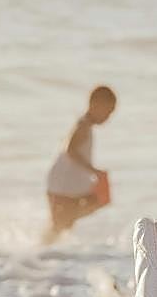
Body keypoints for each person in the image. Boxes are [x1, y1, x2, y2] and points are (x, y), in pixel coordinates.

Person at [45, 84, 117, 242]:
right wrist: (93, 171)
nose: (108, 118)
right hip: (62, 185)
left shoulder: (85, 125)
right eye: (107, 112)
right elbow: (70, 150)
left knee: (63, 223)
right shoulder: (83, 126)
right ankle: (38, 255)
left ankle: (40, 255)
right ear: (95, 104)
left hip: (66, 184)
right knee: (59, 225)